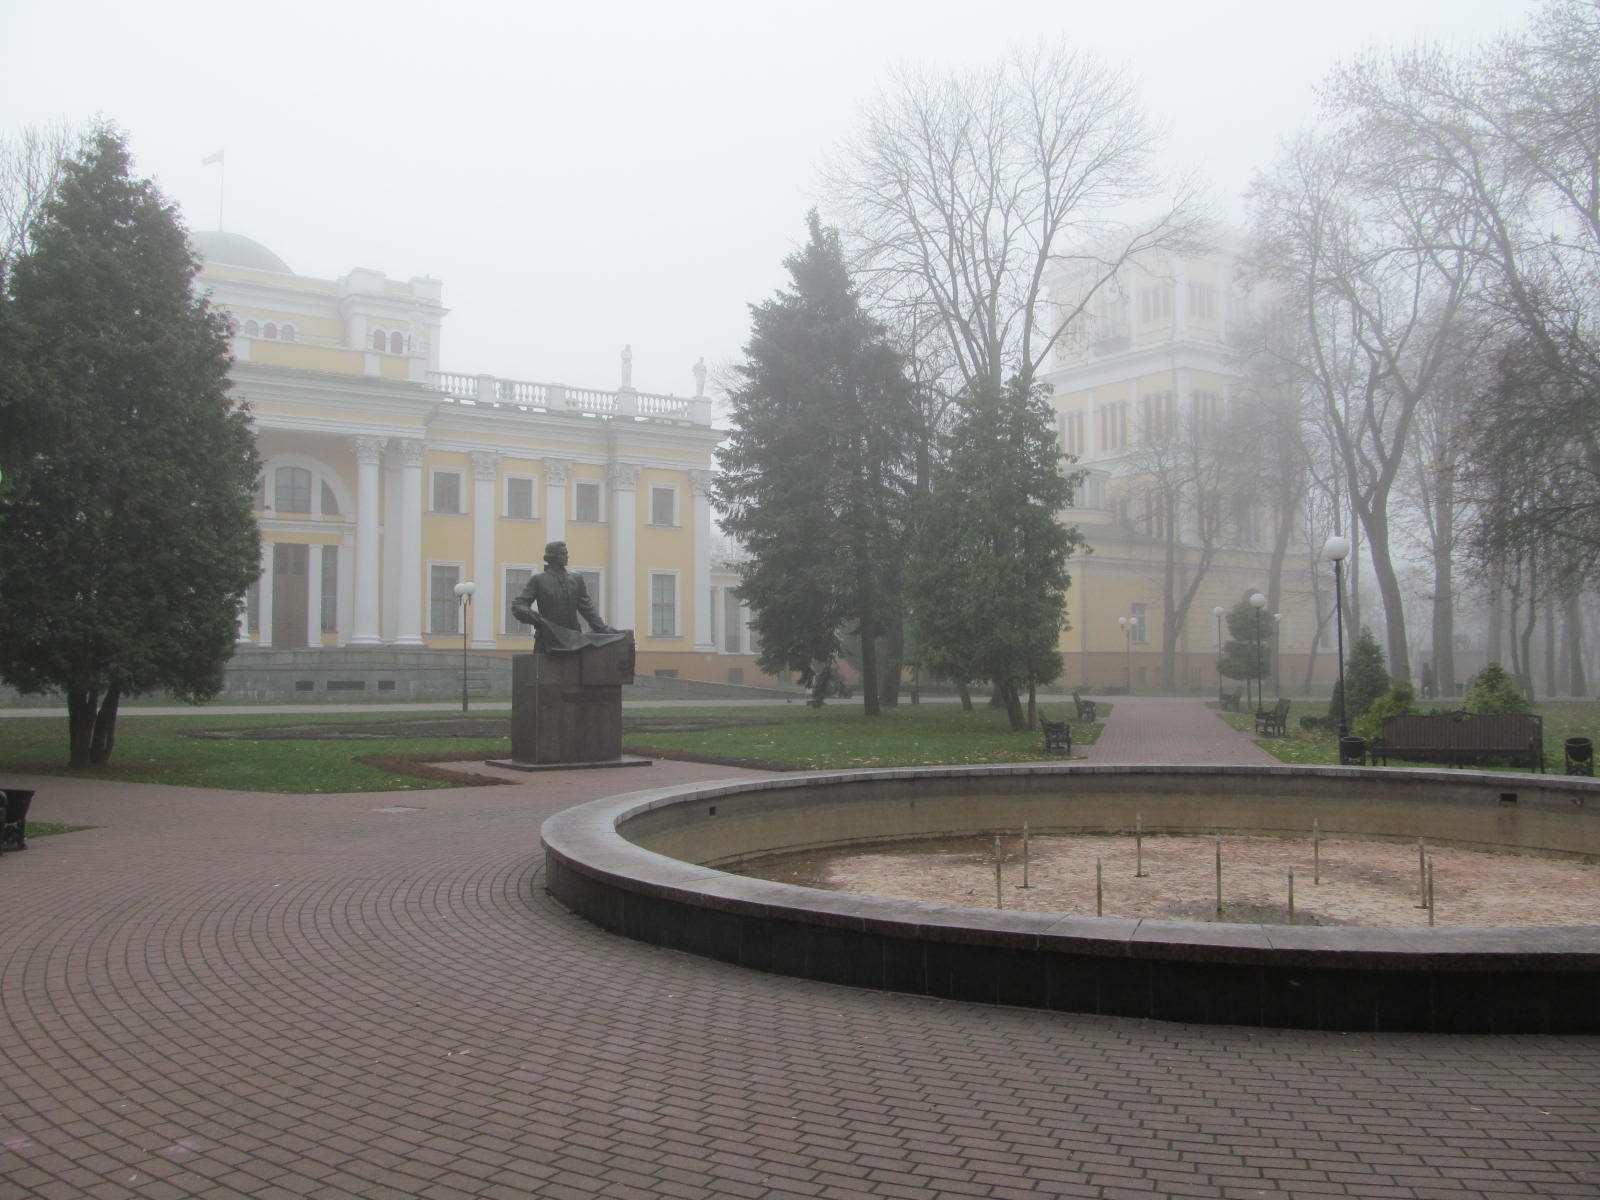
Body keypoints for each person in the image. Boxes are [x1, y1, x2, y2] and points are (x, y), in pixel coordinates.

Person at [511, 540, 627, 653]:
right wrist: (536, 619)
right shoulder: (538, 580)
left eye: (566, 553)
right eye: (563, 554)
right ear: (552, 557)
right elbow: (519, 605)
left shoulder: (576, 579)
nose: (567, 556)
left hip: (572, 640)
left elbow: (587, 608)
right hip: (547, 639)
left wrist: (602, 628)